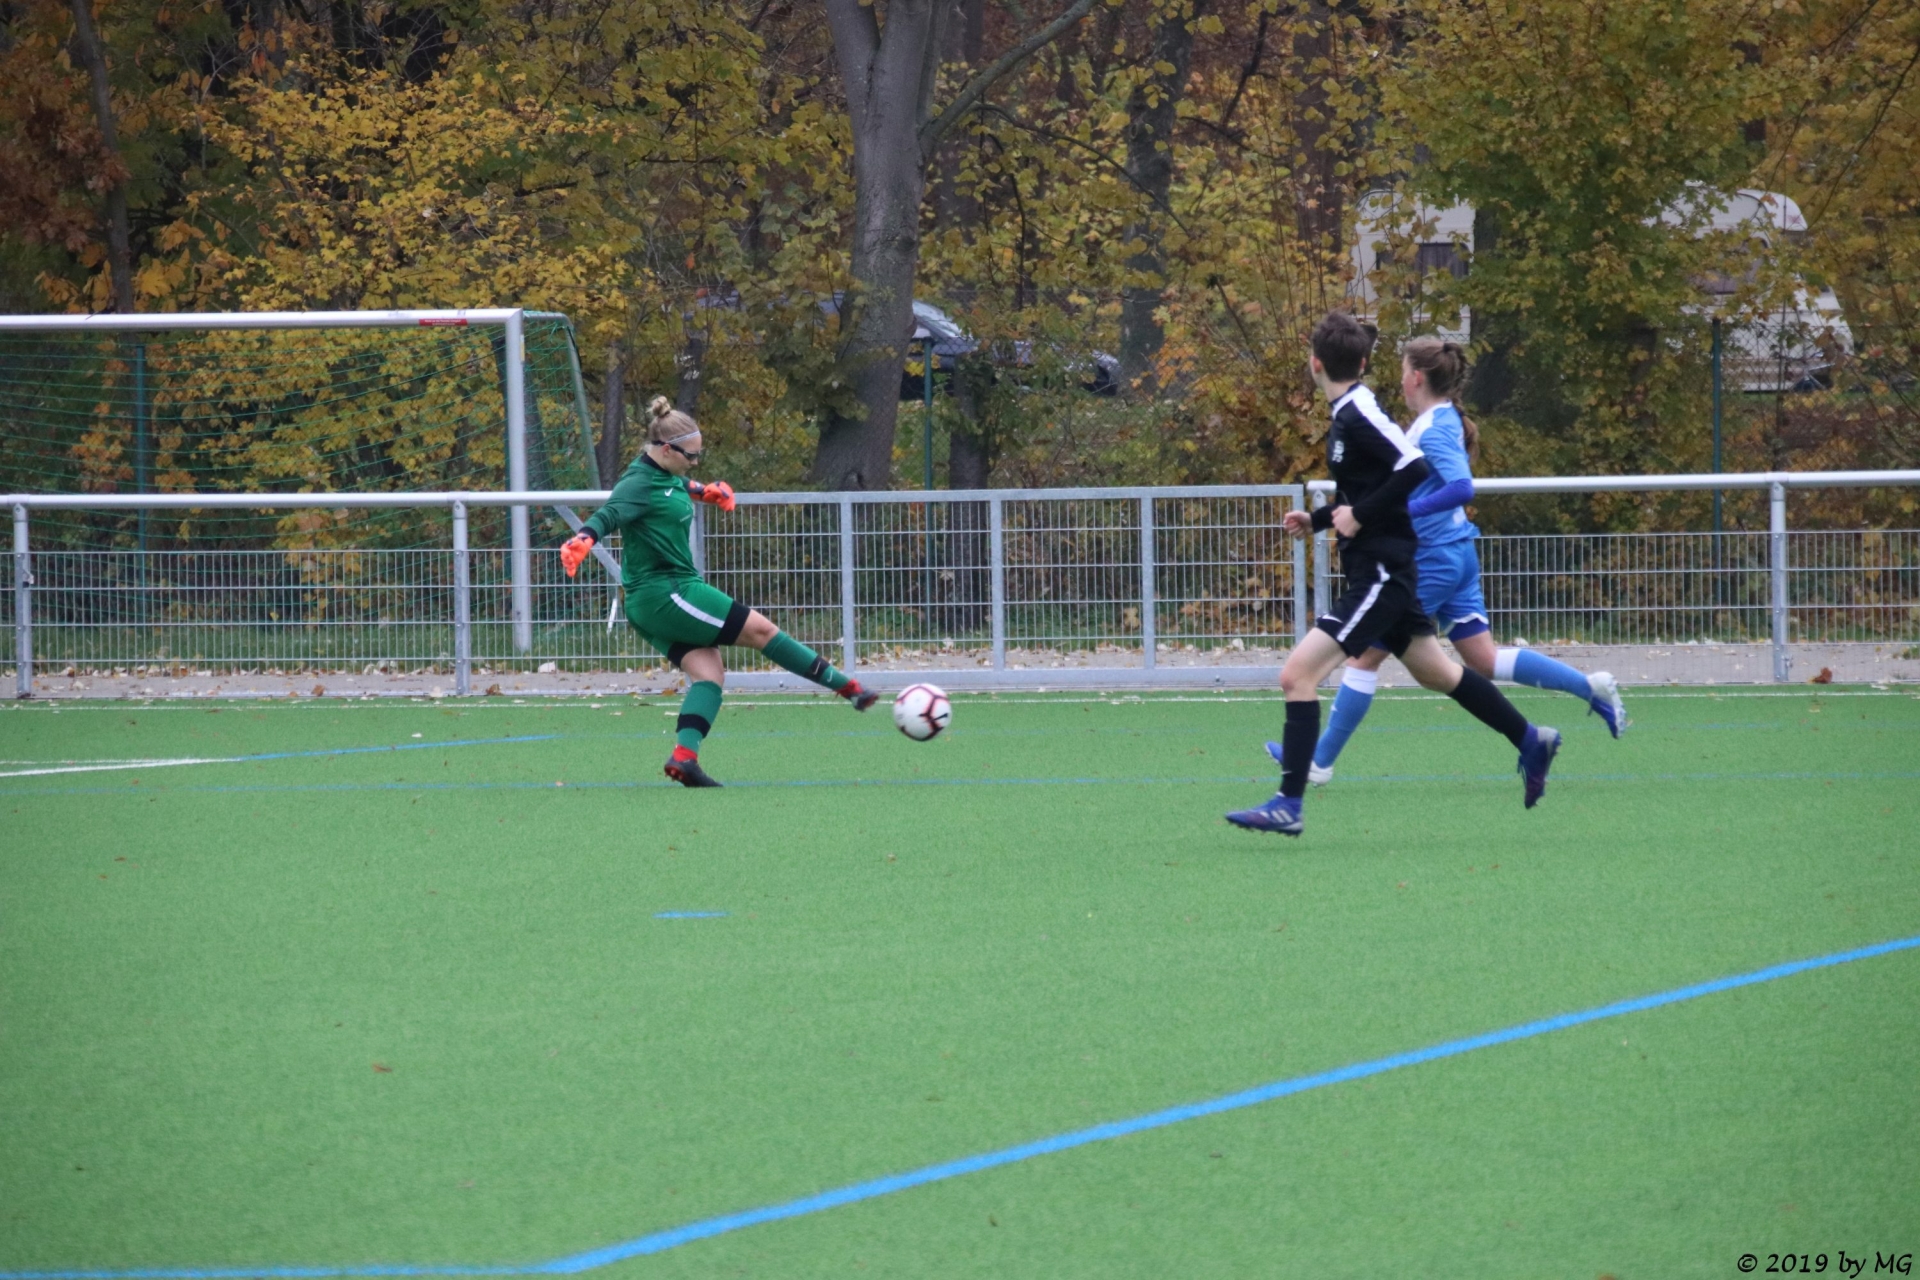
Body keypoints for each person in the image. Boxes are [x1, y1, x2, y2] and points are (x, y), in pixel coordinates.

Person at [1225, 314, 1561, 836]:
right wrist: (1318, 519)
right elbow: (1372, 483)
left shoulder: (1358, 411)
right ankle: (1530, 738)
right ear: (1361, 363)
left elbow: (1413, 468)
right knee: (1440, 673)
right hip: (1385, 569)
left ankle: (1288, 803)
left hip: (1382, 572)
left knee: (1297, 676)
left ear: (1314, 364)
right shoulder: (1347, 412)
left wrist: (1357, 517)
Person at [1306, 337, 1627, 786]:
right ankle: (1589, 687)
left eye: (1402, 371)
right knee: (1484, 659)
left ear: (1416, 377)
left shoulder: (1435, 427)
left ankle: (1318, 762)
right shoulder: (1437, 421)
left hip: (1435, 557)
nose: (1399, 379)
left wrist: (1399, 512)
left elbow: (1461, 487)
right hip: (1455, 553)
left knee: (1363, 657)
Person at [560, 397, 878, 787]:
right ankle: (849, 688)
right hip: (668, 593)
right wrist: (583, 539)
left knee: (709, 675)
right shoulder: (638, 482)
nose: (696, 463)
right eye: (691, 457)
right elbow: (609, 514)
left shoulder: (660, 474)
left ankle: (685, 758)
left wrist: (703, 491)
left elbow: (677, 484)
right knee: (763, 632)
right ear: (666, 449)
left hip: (649, 603)